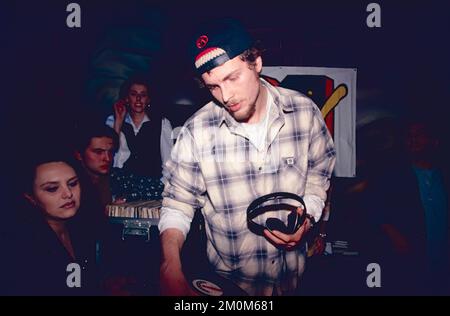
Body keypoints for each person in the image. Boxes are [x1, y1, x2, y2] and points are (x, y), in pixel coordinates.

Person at [158, 18, 336, 296]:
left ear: (256, 63)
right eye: (212, 86)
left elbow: (319, 174)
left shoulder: (304, 112)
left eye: (231, 77)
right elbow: (177, 204)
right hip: (230, 287)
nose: (225, 96)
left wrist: (308, 216)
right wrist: (171, 264)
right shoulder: (196, 131)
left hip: (294, 281)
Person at [7, 150, 99, 295]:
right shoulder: (20, 246)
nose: (68, 194)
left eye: (73, 183)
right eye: (52, 189)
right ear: (30, 197)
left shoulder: (82, 229)